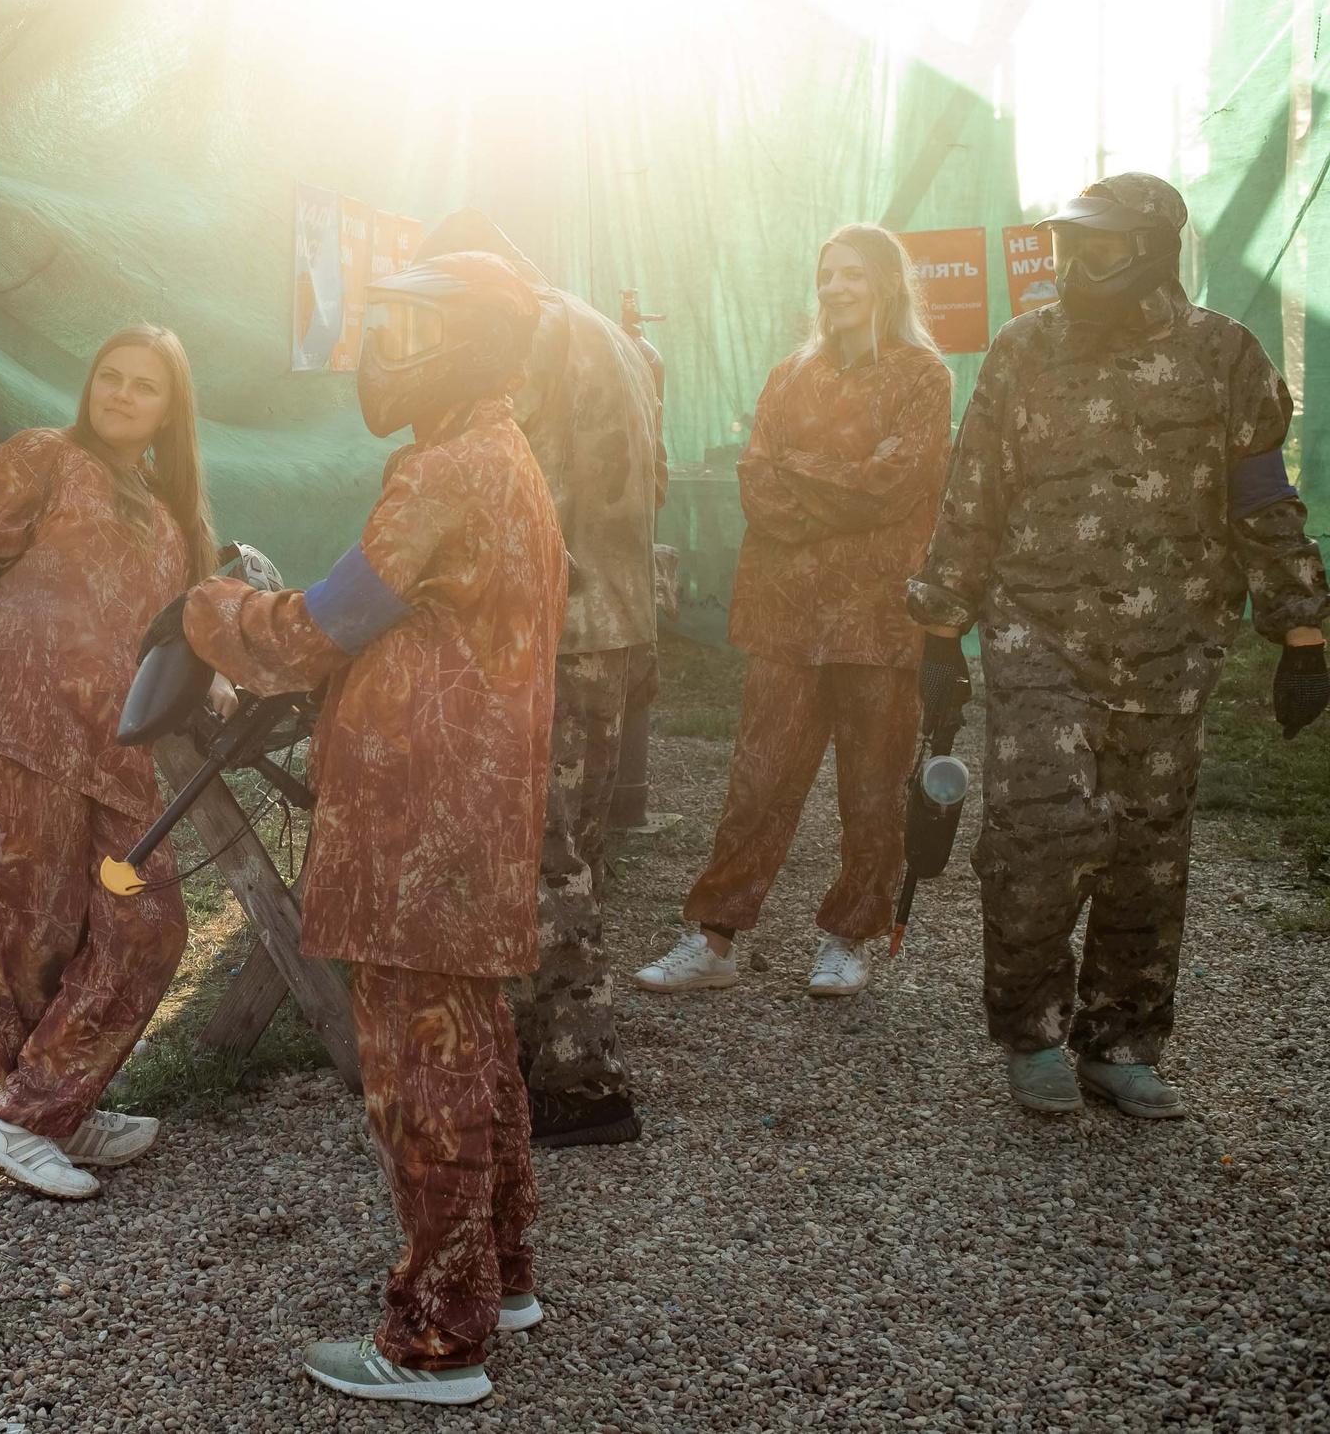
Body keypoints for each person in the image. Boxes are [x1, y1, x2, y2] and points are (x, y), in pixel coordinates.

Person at [181, 252, 565, 1406]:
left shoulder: (448, 472)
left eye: (402, 328)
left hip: (422, 819)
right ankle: (498, 1279)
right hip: (463, 806)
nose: (377, 351)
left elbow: (310, 635)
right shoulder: (491, 455)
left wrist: (215, 612)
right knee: (474, 1047)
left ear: (462, 341)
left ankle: (435, 1346)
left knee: (423, 1069)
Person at [908, 173, 1328, 1118]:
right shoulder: (1024, 350)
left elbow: (1263, 499)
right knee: (1042, 836)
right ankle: (1032, 1032)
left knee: (1147, 850)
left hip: (1174, 646)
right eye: (1067, 247)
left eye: (1098, 248)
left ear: (1152, 250)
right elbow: (973, 494)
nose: (1075, 267)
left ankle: (1120, 1040)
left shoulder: (1226, 357)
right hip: (1037, 636)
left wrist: (1302, 629)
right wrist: (943, 628)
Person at [0, 325, 223, 1200]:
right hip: (21, 721)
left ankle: (38, 1109)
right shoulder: (40, 458)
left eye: (145, 386)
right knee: (32, 934)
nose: (123, 394)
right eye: (111, 377)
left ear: (172, 410)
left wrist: (217, 679)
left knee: (149, 920)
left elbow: (180, 621)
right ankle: (38, 1116)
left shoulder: (171, 509)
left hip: (113, 742)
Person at [634, 224, 954, 998]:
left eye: (852, 275)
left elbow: (899, 482)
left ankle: (847, 937)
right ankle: (714, 939)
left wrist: (803, 489)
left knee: (872, 786)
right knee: (758, 781)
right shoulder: (790, 374)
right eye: (826, 275)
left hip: (878, 618)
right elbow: (755, 479)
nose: (835, 288)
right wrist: (837, 487)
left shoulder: (922, 377)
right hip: (785, 615)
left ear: (886, 284)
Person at [416, 209, 666, 1150]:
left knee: (538, 854)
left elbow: (485, 480)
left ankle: (580, 1079)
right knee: (576, 842)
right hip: (618, 621)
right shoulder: (607, 331)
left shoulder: (522, 333)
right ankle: (545, 1041)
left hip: (550, 628)